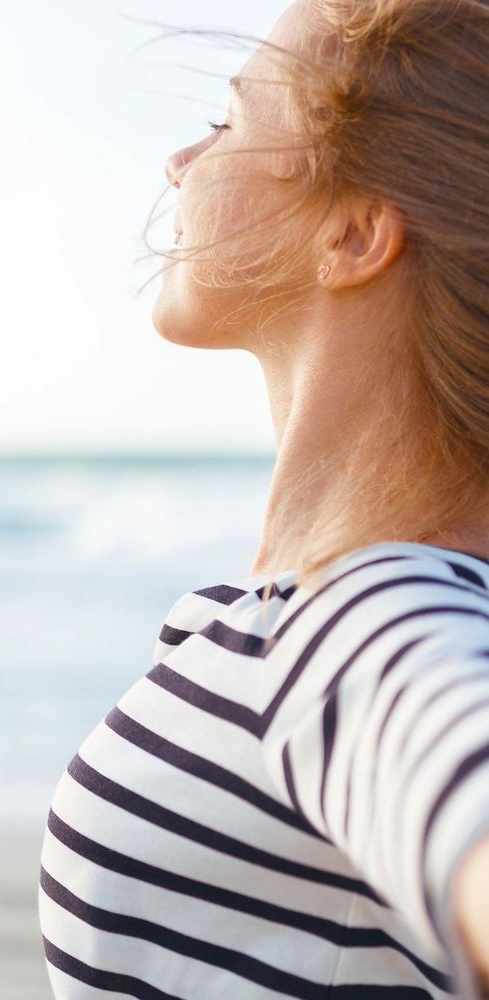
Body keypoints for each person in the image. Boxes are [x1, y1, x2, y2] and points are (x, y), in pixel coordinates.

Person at [38, 0, 489, 995]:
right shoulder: (331, 610)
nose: (178, 160)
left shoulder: (372, 612)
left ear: (354, 234)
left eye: (231, 119)